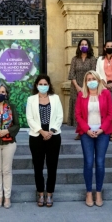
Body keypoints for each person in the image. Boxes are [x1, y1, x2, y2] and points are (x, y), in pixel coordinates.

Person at [75, 70, 112, 207]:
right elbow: (78, 115)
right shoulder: (81, 95)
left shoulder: (106, 94)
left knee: (100, 162)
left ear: (98, 79)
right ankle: (89, 192)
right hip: (87, 132)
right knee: (88, 162)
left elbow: (110, 114)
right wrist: (87, 130)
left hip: (103, 132)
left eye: (93, 78)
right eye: (88, 79)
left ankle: (98, 191)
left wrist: (101, 129)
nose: (91, 81)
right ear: (85, 82)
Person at [26, 74, 63, 208]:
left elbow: (60, 116)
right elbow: (29, 118)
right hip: (37, 136)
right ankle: (40, 193)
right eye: (40, 84)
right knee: (38, 166)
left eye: (45, 84)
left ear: (49, 85)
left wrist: (51, 131)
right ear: (36, 86)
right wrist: (41, 131)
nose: (43, 86)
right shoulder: (31, 99)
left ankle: (50, 194)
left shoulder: (55, 98)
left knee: (52, 166)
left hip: (53, 135)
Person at [68, 38, 97, 140]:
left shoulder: (93, 59)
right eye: (81, 44)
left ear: (88, 46)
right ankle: (80, 131)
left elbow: (94, 74)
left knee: (86, 109)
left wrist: (86, 87)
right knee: (78, 110)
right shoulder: (74, 59)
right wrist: (78, 87)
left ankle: (86, 129)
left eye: (85, 44)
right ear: (79, 46)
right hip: (76, 87)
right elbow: (71, 74)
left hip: (89, 87)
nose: (83, 46)